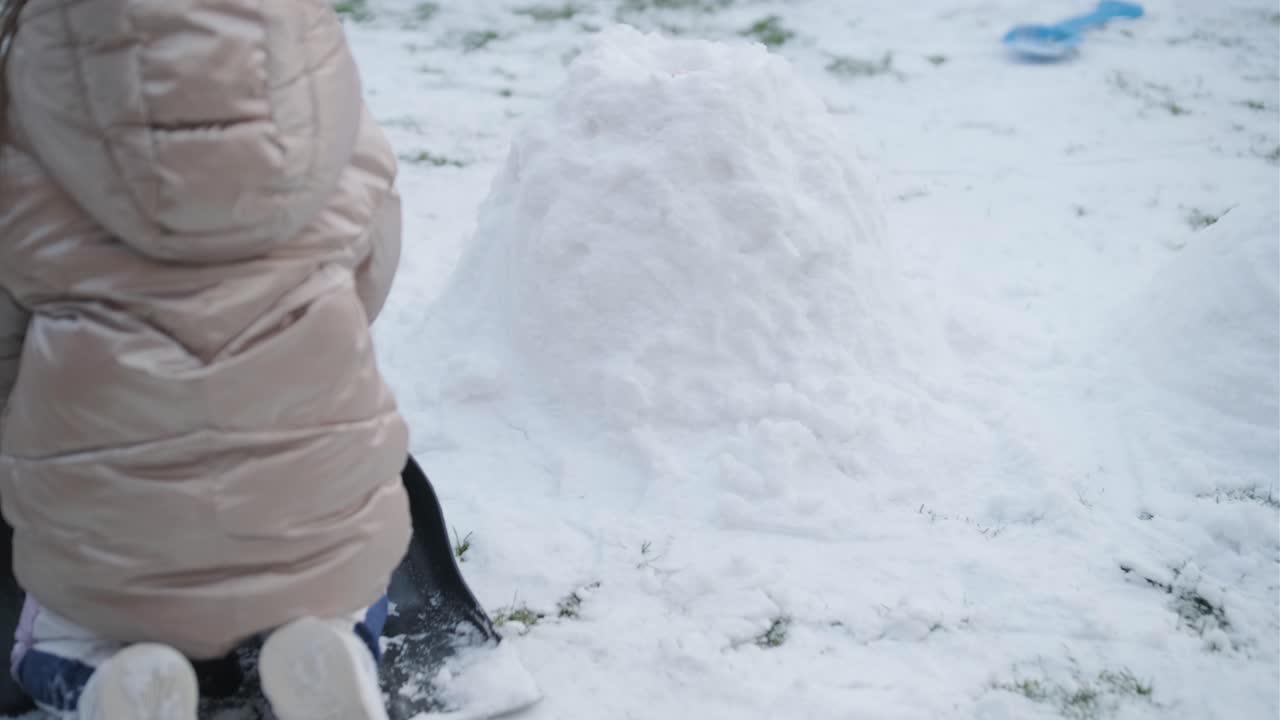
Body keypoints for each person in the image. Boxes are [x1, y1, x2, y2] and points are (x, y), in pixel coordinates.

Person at [0, 1, 412, 718]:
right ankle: (336, 641)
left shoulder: (25, 95)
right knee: (350, 577)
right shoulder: (313, 72)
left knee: (57, 627)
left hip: (103, 496)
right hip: (310, 474)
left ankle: (106, 676)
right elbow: (372, 260)